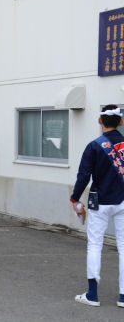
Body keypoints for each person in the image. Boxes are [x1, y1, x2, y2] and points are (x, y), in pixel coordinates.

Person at [71, 105, 124, 308]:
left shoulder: (94, 146)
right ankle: (123, 296)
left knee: (95, 245)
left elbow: (84, 175)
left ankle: (92, 295)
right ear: (121, 122)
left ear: (100, 121)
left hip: (100, 201)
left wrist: (75, 198)